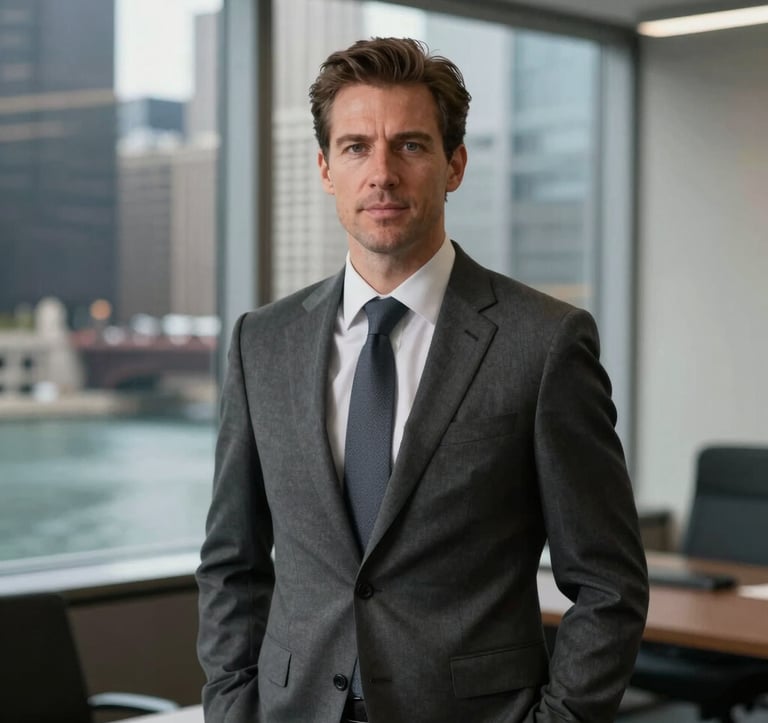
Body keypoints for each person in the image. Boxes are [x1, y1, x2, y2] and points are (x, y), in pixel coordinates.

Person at [196, 37, 649, 723]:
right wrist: (233, 707)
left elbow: (608, 582)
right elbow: (233, 562)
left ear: (454, 164)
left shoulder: (543, 343)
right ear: (325, 168)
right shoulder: (262, 342)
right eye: (355, 148)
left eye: (409, 145)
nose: (381, 173)